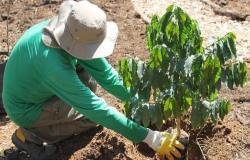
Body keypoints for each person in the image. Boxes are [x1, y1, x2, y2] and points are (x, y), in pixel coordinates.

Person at [2, 1, 184, 160]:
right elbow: (97, 110)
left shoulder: (71, 31)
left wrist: (146, 103)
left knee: (88, 79)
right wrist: (151, 138)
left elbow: (109, 77)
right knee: (91, 119)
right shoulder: (53, 65)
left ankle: (63, 114)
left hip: (39, 88)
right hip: (27, 109)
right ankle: (29, 136)